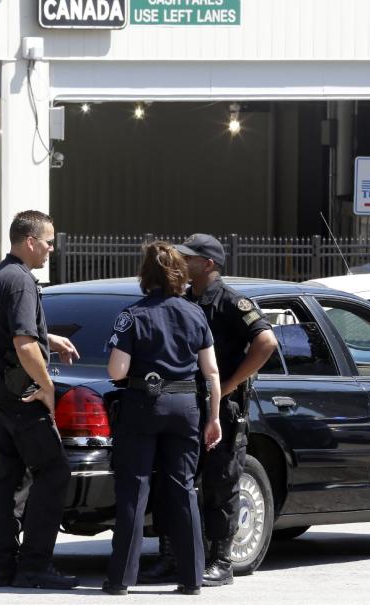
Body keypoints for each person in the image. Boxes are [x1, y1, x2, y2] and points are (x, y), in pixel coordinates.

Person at [138, 233, 277, 587]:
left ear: (209, 264)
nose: (182, 262)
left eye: (190, 258)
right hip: (185, 404)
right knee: (175, 479)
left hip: (221, 409)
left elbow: (266, 342)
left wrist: (228, 386)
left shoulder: (231, 301)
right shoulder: (184, 299)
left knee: (220, 483)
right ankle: (172, 555)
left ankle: (220, 560)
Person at [102, 241, 222, 596]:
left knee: (134, 489)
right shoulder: (195, 313)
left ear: (145, 275)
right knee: (183, 489)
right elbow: (212, 372)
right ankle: (192, 578)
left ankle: (121, 579)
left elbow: (117, 370)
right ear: (180, 275)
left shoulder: (132, 315)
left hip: (144, 404)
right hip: (186, 406)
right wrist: (213, 418)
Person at [0, 210, 81, 590]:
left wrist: (47, 338)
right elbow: (22, 344)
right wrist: (47, 386)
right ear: (31, 241)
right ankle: (35, 565)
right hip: (20, 390)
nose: (52, 249)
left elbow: (11, 332)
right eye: (49, 241)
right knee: (54, 471)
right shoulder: (21, 281)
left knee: (7, 477)